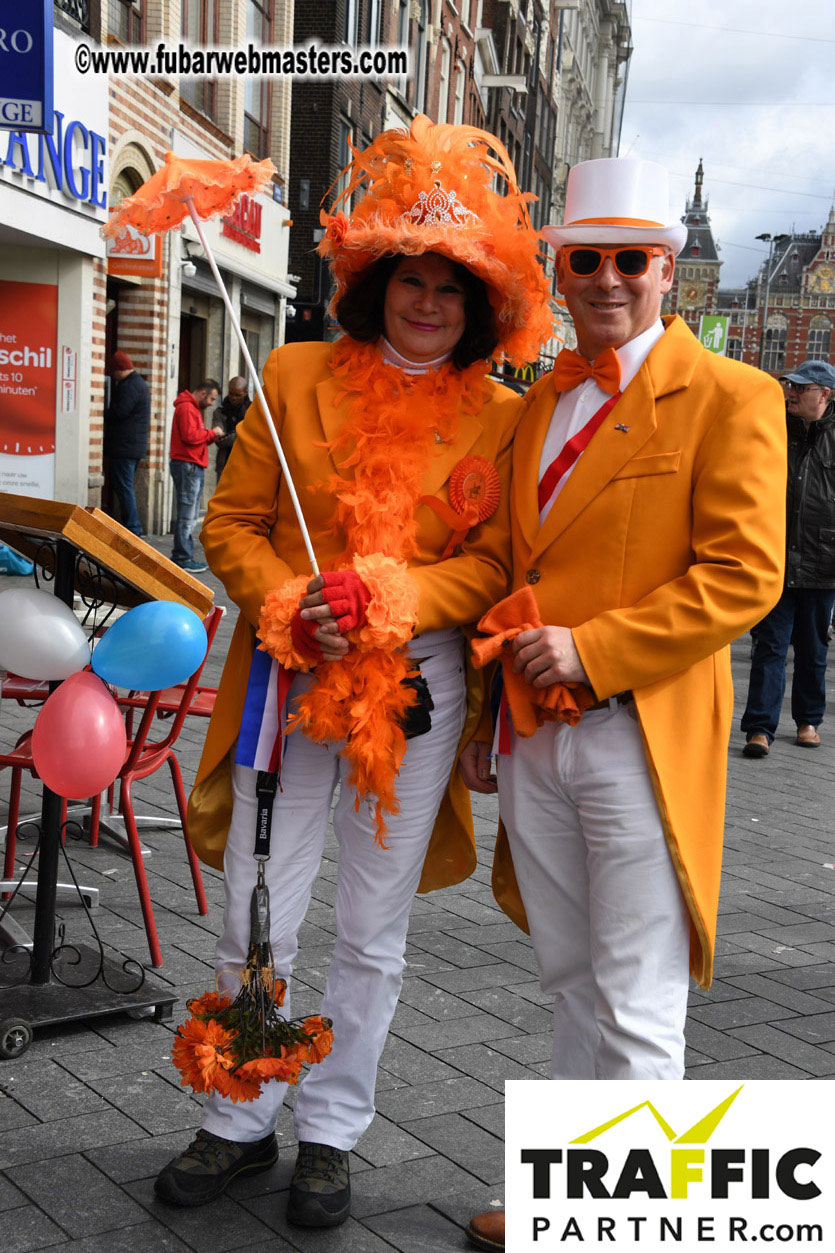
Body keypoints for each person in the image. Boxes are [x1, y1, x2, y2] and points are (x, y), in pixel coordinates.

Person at [154, 116, 553, 1227]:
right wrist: (288, 600)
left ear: (480, 305)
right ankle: (238, 1113)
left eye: (450, 287)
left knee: (375, 925)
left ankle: (332, 1126)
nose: (426, 302)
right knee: (254, 899)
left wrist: (400, 599)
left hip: (413, 691)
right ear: (374, 281)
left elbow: (494, 560)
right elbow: (231, 524)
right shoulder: (289, 373)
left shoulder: (507, 416)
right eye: (408, 279)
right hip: (289, 669)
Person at [463, 157, 786, 1253]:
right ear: (558, 269)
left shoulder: (734, 396)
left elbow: (744, 574)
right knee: (566, 974)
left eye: (629, 260)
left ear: (668, 272)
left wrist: (592, 649)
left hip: (637, 733)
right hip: (533, 738)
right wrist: (479, 720)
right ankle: (571, 1196)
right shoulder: (539, 401)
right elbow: (510, 564)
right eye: (583, 259)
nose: (606, 279)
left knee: (638, 994)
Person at [741, 358, 835, 756]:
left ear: (825, 395)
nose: (791, 393)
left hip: (823, 559)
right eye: (789, 386)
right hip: (775, 557)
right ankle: (759, 728)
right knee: (770, 645)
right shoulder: (774, 427)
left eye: (801, 388)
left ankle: (808, 721)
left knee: (813, 649)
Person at [169, 378, 222, 572]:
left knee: (189, 513)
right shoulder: (186, 408)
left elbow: (193, 438)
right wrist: (211, 432)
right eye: (212, 398)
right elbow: (190, 436)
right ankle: (182, 556)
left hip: (191, 464)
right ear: (202, 393)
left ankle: (182, 555)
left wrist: (209, 437)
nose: (212, 403)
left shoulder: (191, 408)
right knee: (187, 513)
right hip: (188, 465)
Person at [103, 350, 150, 535]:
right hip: (131, 446)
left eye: (114, 371)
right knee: (124, 486)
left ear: (120, 370)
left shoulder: (129, 386)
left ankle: (132, 527)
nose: (113, 376)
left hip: (124, 447)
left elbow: (119, 412)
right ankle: (131, 525)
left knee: (124, 487)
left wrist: (102, 411)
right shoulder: (138, 383)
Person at [214, 375, 250, 478]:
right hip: (225, 466)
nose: (233, 398)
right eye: (231, 393)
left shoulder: (252, 411)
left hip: (246, 465)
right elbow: (219, 439)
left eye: (238, 395)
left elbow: (255, 437)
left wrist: (230, 435)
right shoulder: (220, 412)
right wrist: (241, 434)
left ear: (245, 393)